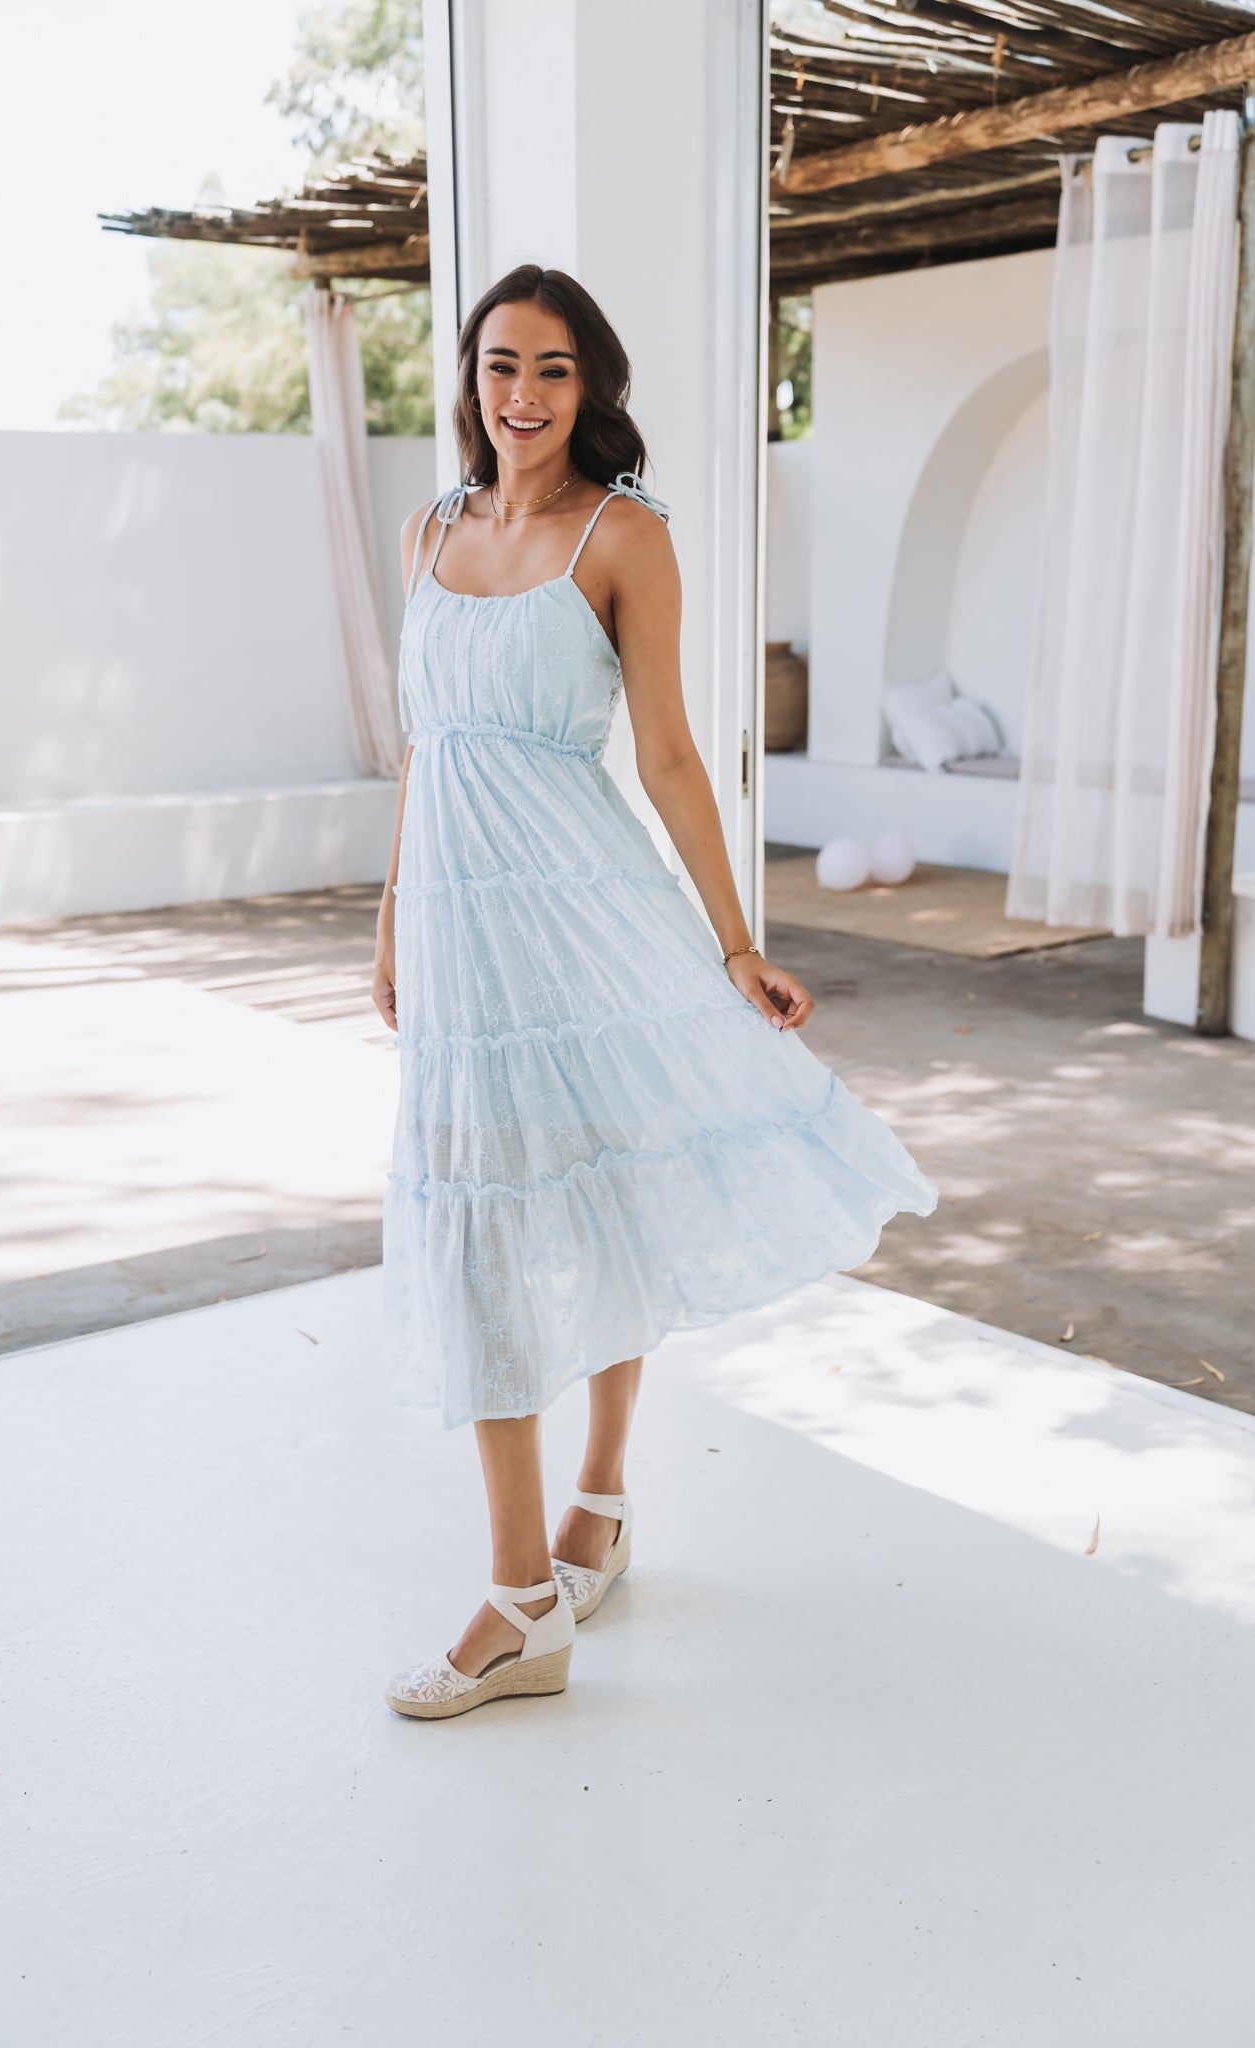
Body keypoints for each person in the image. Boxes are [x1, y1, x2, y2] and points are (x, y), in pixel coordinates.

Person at [373, 264, 936, 1719]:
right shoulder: (430, 526)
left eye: (554, 370)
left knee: (603, 1189)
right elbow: (424, 751)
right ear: (469, 375)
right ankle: (541, 1574)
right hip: (456, 923)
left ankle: (565, 1546)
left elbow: (673, 754)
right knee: (483, 1225)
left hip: (584, 913)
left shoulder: (624, 536)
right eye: (501, 365)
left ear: (591, 385)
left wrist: (736, 943)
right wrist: (389, 923)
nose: (523, 396)